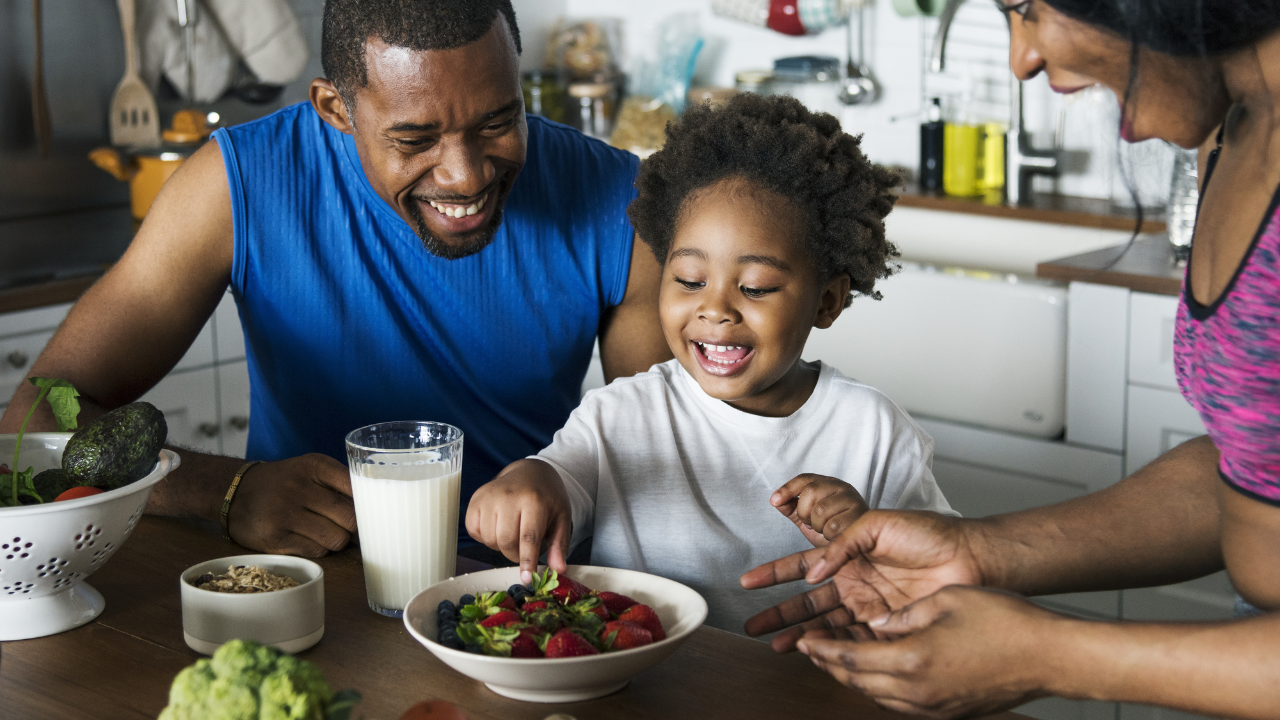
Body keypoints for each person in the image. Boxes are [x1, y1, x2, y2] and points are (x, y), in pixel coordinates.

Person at [741, 1, 1280, 717]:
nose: (1020, 59)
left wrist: (1049, 653)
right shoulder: (1238, 133)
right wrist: (981, 552)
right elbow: (1250, 466)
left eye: (1027, 10)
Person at [0, 0, 670, 557]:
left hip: (523, 599)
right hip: (317, 588)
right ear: (334, 108)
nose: (466, 175)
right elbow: (31, 421)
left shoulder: (622, 202)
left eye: (499, 121)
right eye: (415, 140)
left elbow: (670, 456)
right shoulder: (237, 187)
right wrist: (225, 490)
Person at [464, 94, 956, 633]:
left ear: (827, 302)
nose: (715, 308)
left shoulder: (876, 434)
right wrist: (526, 481)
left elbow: (946, 587)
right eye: (689, 281)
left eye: (755, 288)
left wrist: (867, 532)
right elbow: (559, 481)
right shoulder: (620, 414)